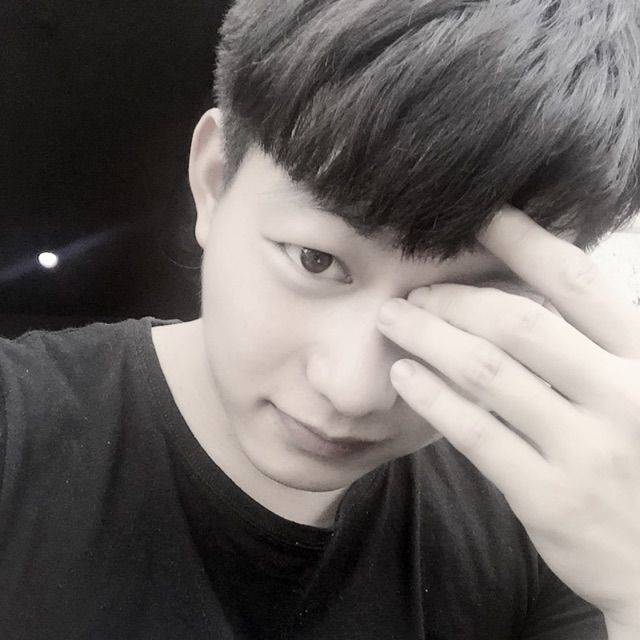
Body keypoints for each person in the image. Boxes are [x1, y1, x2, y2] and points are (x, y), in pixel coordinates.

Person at [1, 1, 639, 638]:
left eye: (463, 308)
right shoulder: (18, 430)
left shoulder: (556, 520)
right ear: (215, 180)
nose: (354, 391)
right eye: (316, 260)